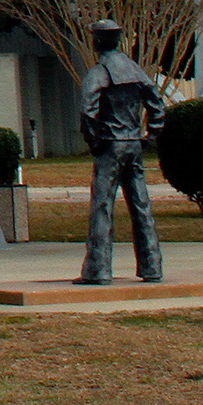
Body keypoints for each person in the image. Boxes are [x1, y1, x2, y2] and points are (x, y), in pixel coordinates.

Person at [77, 18, 167, 285]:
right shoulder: (135, 70)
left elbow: (87, 112)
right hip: (133, 145)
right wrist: (151, 135)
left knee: (102, 206)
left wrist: (95, 143)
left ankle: (98, 270)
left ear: (96, 42)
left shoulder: (99, 73)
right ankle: (152, 266)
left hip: (111, 145)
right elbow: (157, 104)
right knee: (141, 206)